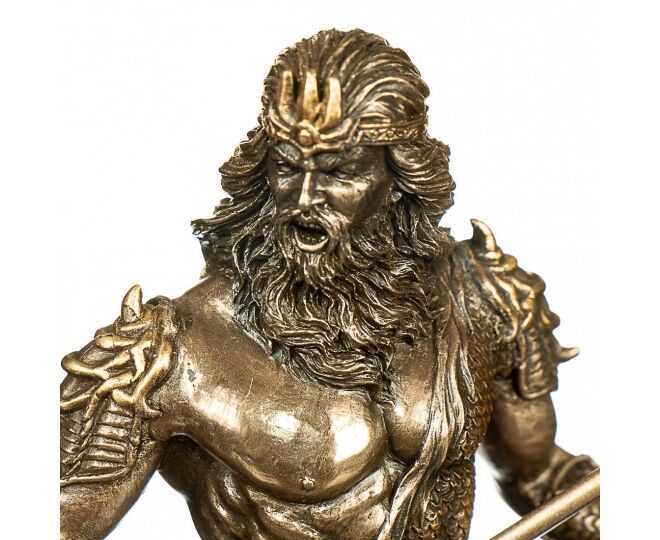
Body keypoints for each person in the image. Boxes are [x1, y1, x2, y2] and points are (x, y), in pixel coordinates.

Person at [60, 28, 599, 540]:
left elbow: (537, 473)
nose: (304, 199)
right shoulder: (158, 357)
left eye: (341, 173)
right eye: (288, 168)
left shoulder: (481, 296)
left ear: (398, 178)